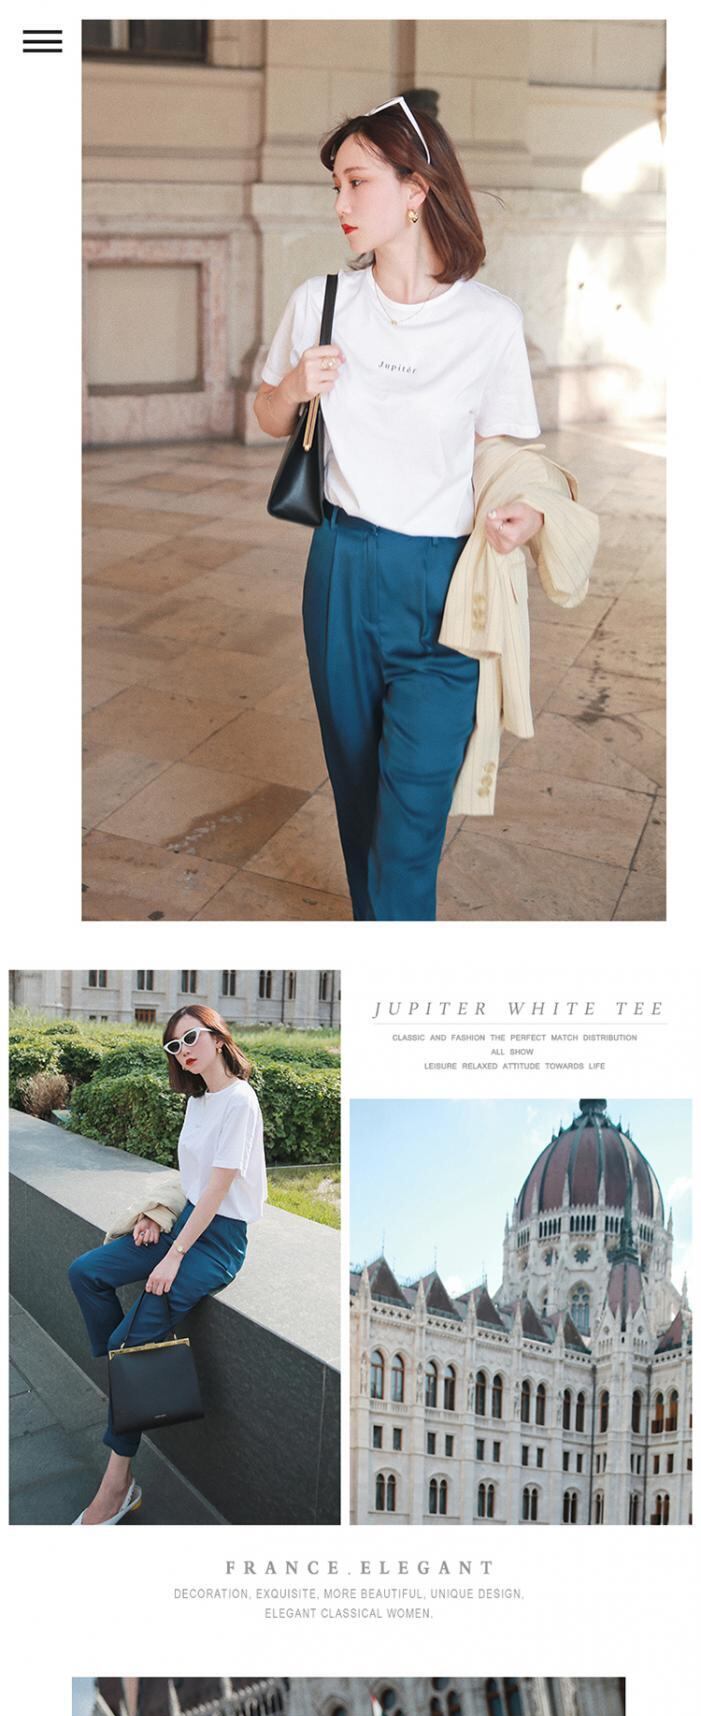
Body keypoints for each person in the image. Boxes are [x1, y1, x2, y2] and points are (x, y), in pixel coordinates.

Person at [255, 94, 545, 920]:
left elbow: (507, 455)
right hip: (341, 568)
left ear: (415, 189)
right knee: (358, 795)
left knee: (411, 819)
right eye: (335, 187)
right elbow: (267, 414)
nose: (340, 205)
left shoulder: (489, 321)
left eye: (357, 182)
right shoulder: (321, 301)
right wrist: (293, 385)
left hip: (445, 584)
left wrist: (526, 515)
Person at [67, 1002, 266, 1524]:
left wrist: (174, 1257)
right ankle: (125, 1387)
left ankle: (118, 1487)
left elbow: (219, 1190)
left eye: (192, 1038)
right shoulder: (198, 1101)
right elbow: (192, 1182)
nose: (184, 1051)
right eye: (174, 1045)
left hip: (218, 1244)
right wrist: (159, 1217)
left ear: (218, 1037)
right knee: (85, 1273)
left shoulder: (240, 1100)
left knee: (127, 1343)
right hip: (185, 1226)